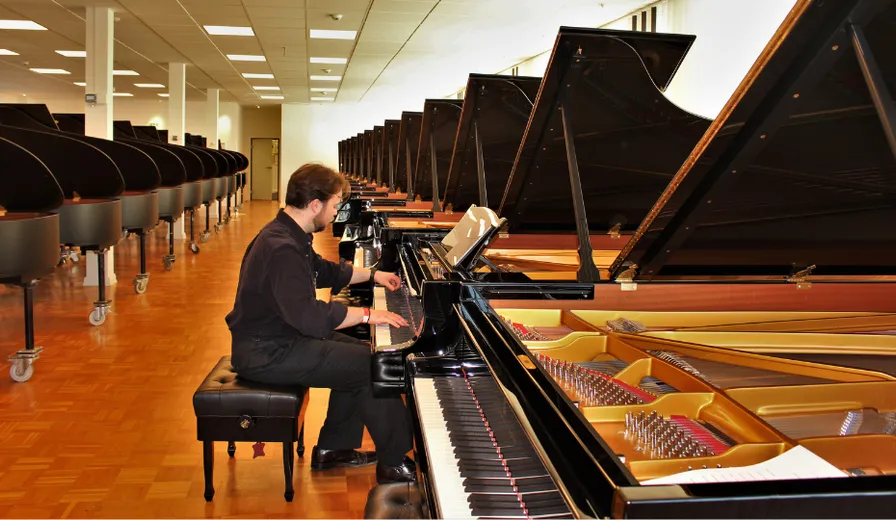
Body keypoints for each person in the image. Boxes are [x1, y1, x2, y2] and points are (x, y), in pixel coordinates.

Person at [225, 163, 416, 484]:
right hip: (267, 353)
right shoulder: (281, 248)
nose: (336, 211)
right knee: (374, 365)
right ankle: (394, 462)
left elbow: (325, 271)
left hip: (277, 340)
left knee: (359, 354)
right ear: (315, 205)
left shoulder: (287, 233)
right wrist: (370, 315)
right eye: (335, 204)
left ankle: (334, 449)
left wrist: (373, 275)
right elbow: (311, 318)